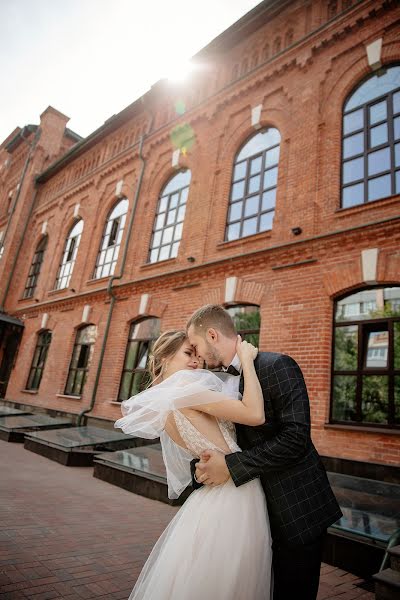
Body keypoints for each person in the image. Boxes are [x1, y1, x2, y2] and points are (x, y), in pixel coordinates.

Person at [187, 304, 343, 600]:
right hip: (250, 515)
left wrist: (231, 466)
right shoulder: (215, 383)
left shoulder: (277, 365)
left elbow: (295, 439)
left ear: (212, 334)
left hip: (296, 509)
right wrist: (203, 469)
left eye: (195, 346)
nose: (197, 356)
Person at [114, 330, 273, 600]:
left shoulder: (164, 403)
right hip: (235, 494)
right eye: (189, 353)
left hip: (211, 495)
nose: (196, 362)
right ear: (165, 356)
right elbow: (255, 414)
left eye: (198, 356)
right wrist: (246, 359)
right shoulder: (186, 391)